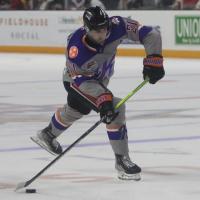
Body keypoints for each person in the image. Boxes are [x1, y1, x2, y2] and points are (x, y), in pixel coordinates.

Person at [31, 6, 165, 180]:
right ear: (87, 29)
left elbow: (151, 34)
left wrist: (153, 61)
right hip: (77, 83)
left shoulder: (117, 24)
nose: (103, 33)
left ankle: (47, 134)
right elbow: (82, 82)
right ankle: (122, 161)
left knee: (76, 110)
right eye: (97, 31)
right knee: (115, 109)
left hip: (99, 81)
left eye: (105, 28)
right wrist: (104, 100)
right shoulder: (76, 50)